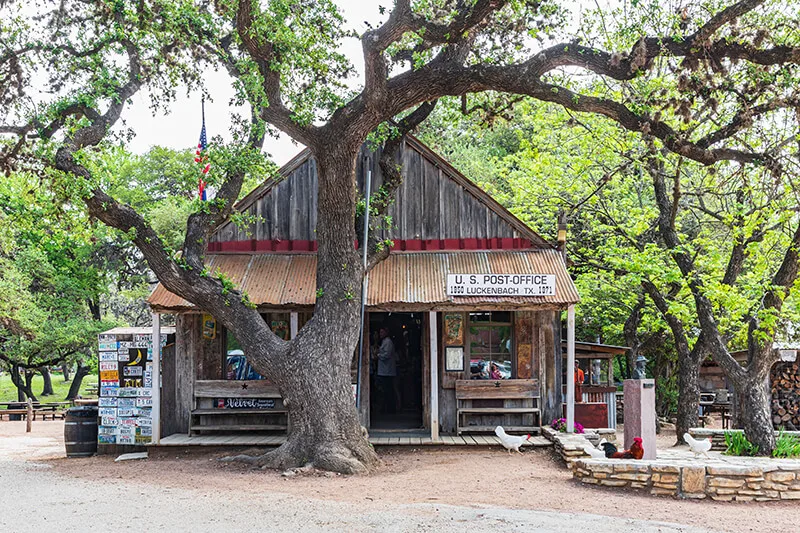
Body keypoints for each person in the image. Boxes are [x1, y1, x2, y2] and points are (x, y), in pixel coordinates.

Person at [377, 326, 400, 414]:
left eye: (382, 332)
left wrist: (378, 355)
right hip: (384, 370)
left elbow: (386, 355)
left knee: (388, 390)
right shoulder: (384, 342)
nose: (380, 334)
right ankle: (387, 408)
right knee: (386, 390)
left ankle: (390, 409)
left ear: (386, 332)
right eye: (380, 332)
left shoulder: (388, 342)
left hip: (387, 371)